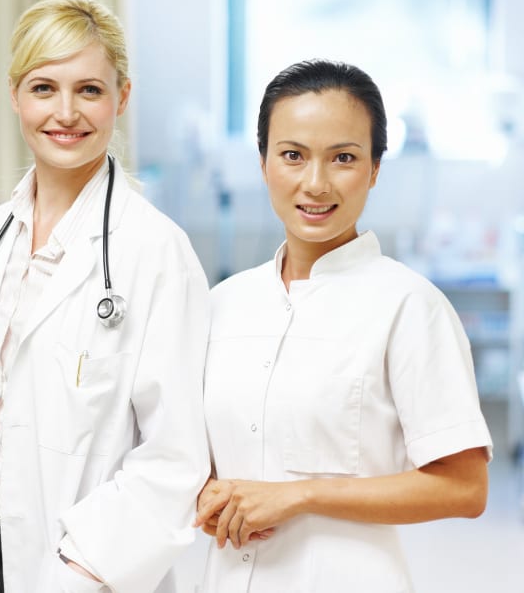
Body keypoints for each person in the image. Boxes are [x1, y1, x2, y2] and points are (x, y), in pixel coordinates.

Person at [0, 0, 210, 593]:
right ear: (15, 96)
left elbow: (175, 455)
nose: (66, 112)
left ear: (121, 98)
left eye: (90, 90)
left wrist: (82, 569)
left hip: (84, 566)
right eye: (44, 88)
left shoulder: (155, 251)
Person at [195, 59, 492, 592]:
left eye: (343, 158)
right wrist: (203, 492)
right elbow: (197, 457)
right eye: (292, 155)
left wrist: (300, 494)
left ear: (376, 169)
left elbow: (464, 488)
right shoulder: (223, 304)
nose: (316, 183)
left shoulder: (408, 305)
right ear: (263, 162)